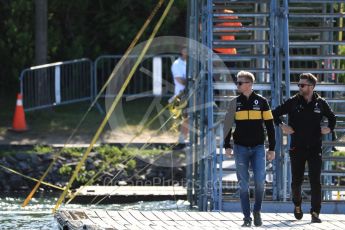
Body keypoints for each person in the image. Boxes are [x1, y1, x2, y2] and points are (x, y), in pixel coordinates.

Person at [272, 73, 336, 223]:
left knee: (315, 181)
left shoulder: (320, 103)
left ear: (311, 87)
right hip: (297, 148)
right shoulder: (293, 102)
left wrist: (329, 128)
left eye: (302, 85)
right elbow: (274, 114)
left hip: (314, 148)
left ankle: (315, 213)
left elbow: (332, 118)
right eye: (298, 85)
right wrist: (283, 126)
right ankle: (297, 204)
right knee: (296, 182)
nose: (299, 87)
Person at [223, 71, 276, 227]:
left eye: (240, 83)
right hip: (240, 148)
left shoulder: (262, 102)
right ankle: (247, 217)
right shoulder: (234, 102)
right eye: (237, 82)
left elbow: (270, 126)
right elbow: (227, 125)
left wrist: (272, 148)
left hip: (259, 148)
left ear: (249, 84)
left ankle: (257, 210)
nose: (237, 85)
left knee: (260, 181)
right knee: (243, 184)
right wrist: (226, 145)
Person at [171, 45, 188, 143]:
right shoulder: (177, 63)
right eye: (186, 49)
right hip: (181, 94)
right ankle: (182, 138)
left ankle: (184, 137)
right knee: (184, 116)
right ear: (181, 51)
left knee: (188, 116)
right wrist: (190, 83)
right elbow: (179, 79)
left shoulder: (191, 63)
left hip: (189, 93)